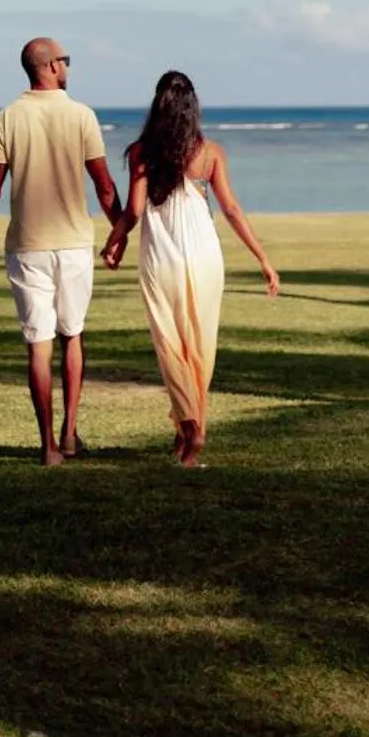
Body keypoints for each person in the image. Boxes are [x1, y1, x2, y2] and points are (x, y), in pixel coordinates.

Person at [102, 70, 278, 466]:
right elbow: (231, 210)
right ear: (191, 107)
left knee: (170, 343)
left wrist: (112, 241)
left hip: (161, 257)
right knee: (200, 344)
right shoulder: (209, 151)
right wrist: (262, 259)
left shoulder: (140, 152)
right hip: (204, 258)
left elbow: (132, 211)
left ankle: (191, 429)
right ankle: (189, 433)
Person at [0, 37, 120, 465]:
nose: (68, 65)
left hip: (26, 246)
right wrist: (119, 230)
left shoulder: (8, 117)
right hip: (72, 243)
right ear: (50, 66)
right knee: (72, 336)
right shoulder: (82, 115)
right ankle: (70, 434)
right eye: (65, 60)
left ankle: (48, 446)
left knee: (38, 344)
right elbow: (103, 184)